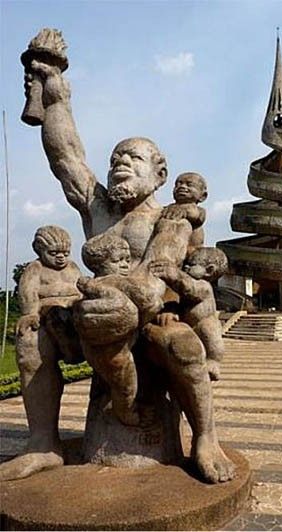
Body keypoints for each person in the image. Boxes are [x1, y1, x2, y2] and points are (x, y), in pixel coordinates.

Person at [0, 53, 234, 484]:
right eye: (114, 159)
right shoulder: (99, 209)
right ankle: (43, 444)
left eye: (132, 158)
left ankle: (206, 438)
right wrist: (54, 89)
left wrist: (111, 299)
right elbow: (66, 155)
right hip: (97, 317)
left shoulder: (172, 218)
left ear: (160, 174)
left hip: (151, 320)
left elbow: (154, 282)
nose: (119, 164)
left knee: (183, 346)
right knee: (33, 334)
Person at [10, 226, 82, 479]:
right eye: (54, 253)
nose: (61, 258)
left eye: (65, 253)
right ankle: (43, 441)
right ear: (39, 250)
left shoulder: (72, 268)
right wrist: (30, 313)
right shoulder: (35, 269)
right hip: (47, 316)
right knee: (31, 345)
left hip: (74, 315)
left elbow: (81, 288)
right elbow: (28, 293)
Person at [79, 233, 165, 426]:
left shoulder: (90, 285)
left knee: (116, 382)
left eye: (127, 259)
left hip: (92, 347)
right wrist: (140, 322)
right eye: (118, 261)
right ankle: (126, 412)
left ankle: (120, 408)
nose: (125, 265)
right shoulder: (121, 282)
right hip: (117, 350)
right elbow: (153, 303)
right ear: (98, 264)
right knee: (125, 386)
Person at [150, 247, 228, 382]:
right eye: (186, 264)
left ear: (209, 270)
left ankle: (213, 361)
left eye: (192, 265)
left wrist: (175, 276)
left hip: (203, 322)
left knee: (210, 331)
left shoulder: (204, 286)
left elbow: (190, 288)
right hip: (189, 324)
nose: (186, 267)